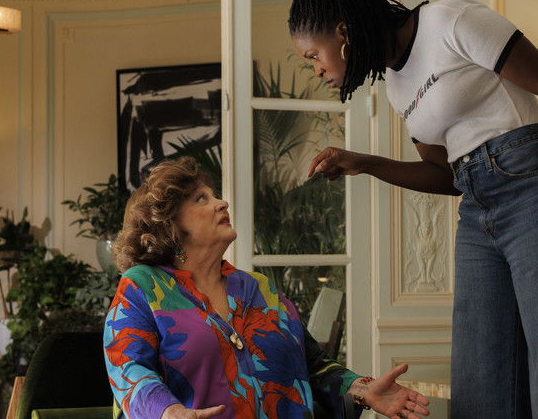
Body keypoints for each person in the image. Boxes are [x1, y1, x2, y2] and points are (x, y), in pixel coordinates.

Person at [288, 0, 538, 418]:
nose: (316, 69)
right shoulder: (396, 85)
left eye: (313, 55)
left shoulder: (451, 21)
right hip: (477, 210)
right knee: (481, 388)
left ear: (342, 32)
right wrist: (366, 163)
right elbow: (447, 176)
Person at [104, 156, 430, 419]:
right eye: (201, 198)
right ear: (168, 222)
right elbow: (127, 367)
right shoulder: (143, 286)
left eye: (215, 195)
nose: (222, 203)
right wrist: (168, 412)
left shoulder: (257, 287)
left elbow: (313, 363)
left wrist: (361, 388)